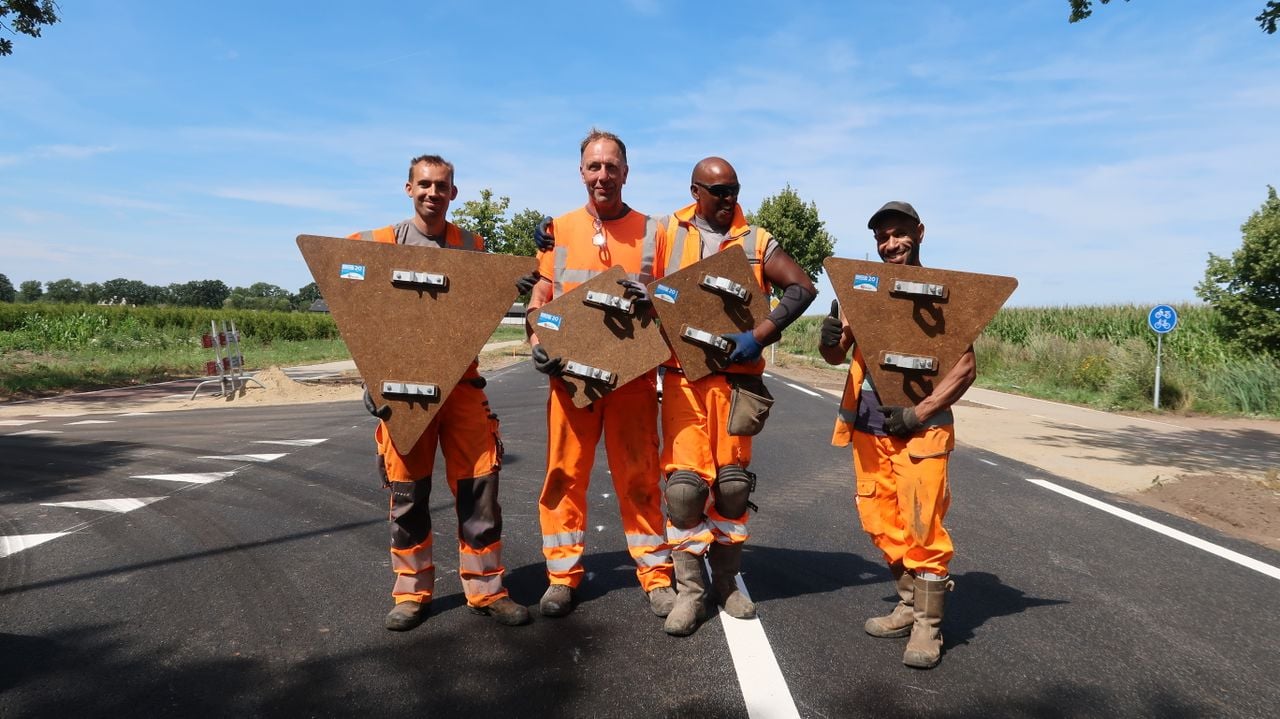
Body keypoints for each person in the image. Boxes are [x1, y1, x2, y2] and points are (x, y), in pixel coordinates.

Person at [351, 154, 532, 631]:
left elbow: (483, 304)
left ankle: (488, 590)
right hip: (403, 390)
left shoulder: (474, 246)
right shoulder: (377, 244)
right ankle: (411, 594)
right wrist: (371, 375)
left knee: (480, 489)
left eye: (442, 186)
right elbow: (352, 306)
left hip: (461, 385)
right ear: (408, 189)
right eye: (424, 185)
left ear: (454, 193)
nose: (433, 193)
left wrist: (514, 283)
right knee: (408, 493)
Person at [656, 157, 816, 636]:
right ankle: (690, 592)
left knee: (731, 488)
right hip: (683, 381)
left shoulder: (756, 240)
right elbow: (620, 250)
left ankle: (725, 583)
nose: (729, 200)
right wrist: (548, 236)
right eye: (719, 191)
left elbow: (801, 287)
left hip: (737, 385)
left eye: (734, 190)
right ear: (695, 191)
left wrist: (761, 334)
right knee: (684, 492)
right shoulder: (667, 232)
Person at [524, 129, 676, 619]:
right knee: (564, 475)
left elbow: (673, 297)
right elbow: (540, 300)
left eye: (612, 166)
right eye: (594, 166)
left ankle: (656, 576)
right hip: (570, 382)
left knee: (640, 474)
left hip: (630, 379)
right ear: (581, 172)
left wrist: (656, 298)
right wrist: (536, 342)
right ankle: (561, 577)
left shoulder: (656, 232)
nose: (603, 175)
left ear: (626, 173)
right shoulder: (559, 230)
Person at [819, 201, 975, 669]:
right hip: (867, 422)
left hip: (921, 429)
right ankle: (908, 602)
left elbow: (966, 368)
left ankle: (929, 628)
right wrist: (830, 337)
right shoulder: (858, 291)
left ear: (920, 232)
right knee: (878, 517)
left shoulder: (942, 295)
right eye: (882, 237)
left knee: (923, 523)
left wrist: (919, 412)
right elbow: (834, 356)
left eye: (899, 233)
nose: (891, 244)